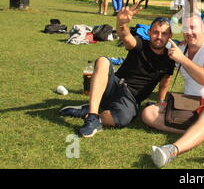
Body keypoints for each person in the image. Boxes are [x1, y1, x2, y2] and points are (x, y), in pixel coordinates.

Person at [59, 7, 176, 137]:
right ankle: (92, 117)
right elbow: (125, 36)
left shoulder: (170, 59)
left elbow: (165, 82)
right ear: (148, 33)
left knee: (122, 119)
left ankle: (89, 111)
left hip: (130, 99)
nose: (159, 37)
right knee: (103, 61)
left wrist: (160, 102)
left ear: (170, 36)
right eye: (155, 32)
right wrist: (121, 23)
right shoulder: (140, 44)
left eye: (164, 33)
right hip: (114, 86)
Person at [141, 15, 204, 168]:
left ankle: (171, 150)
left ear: (203, 29)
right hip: (190, 103)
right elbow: (164, 70)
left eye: (193, 28)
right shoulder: (181, 48)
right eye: (185, 29)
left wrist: (182, 59)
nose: (190, 32)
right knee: (148, 114)